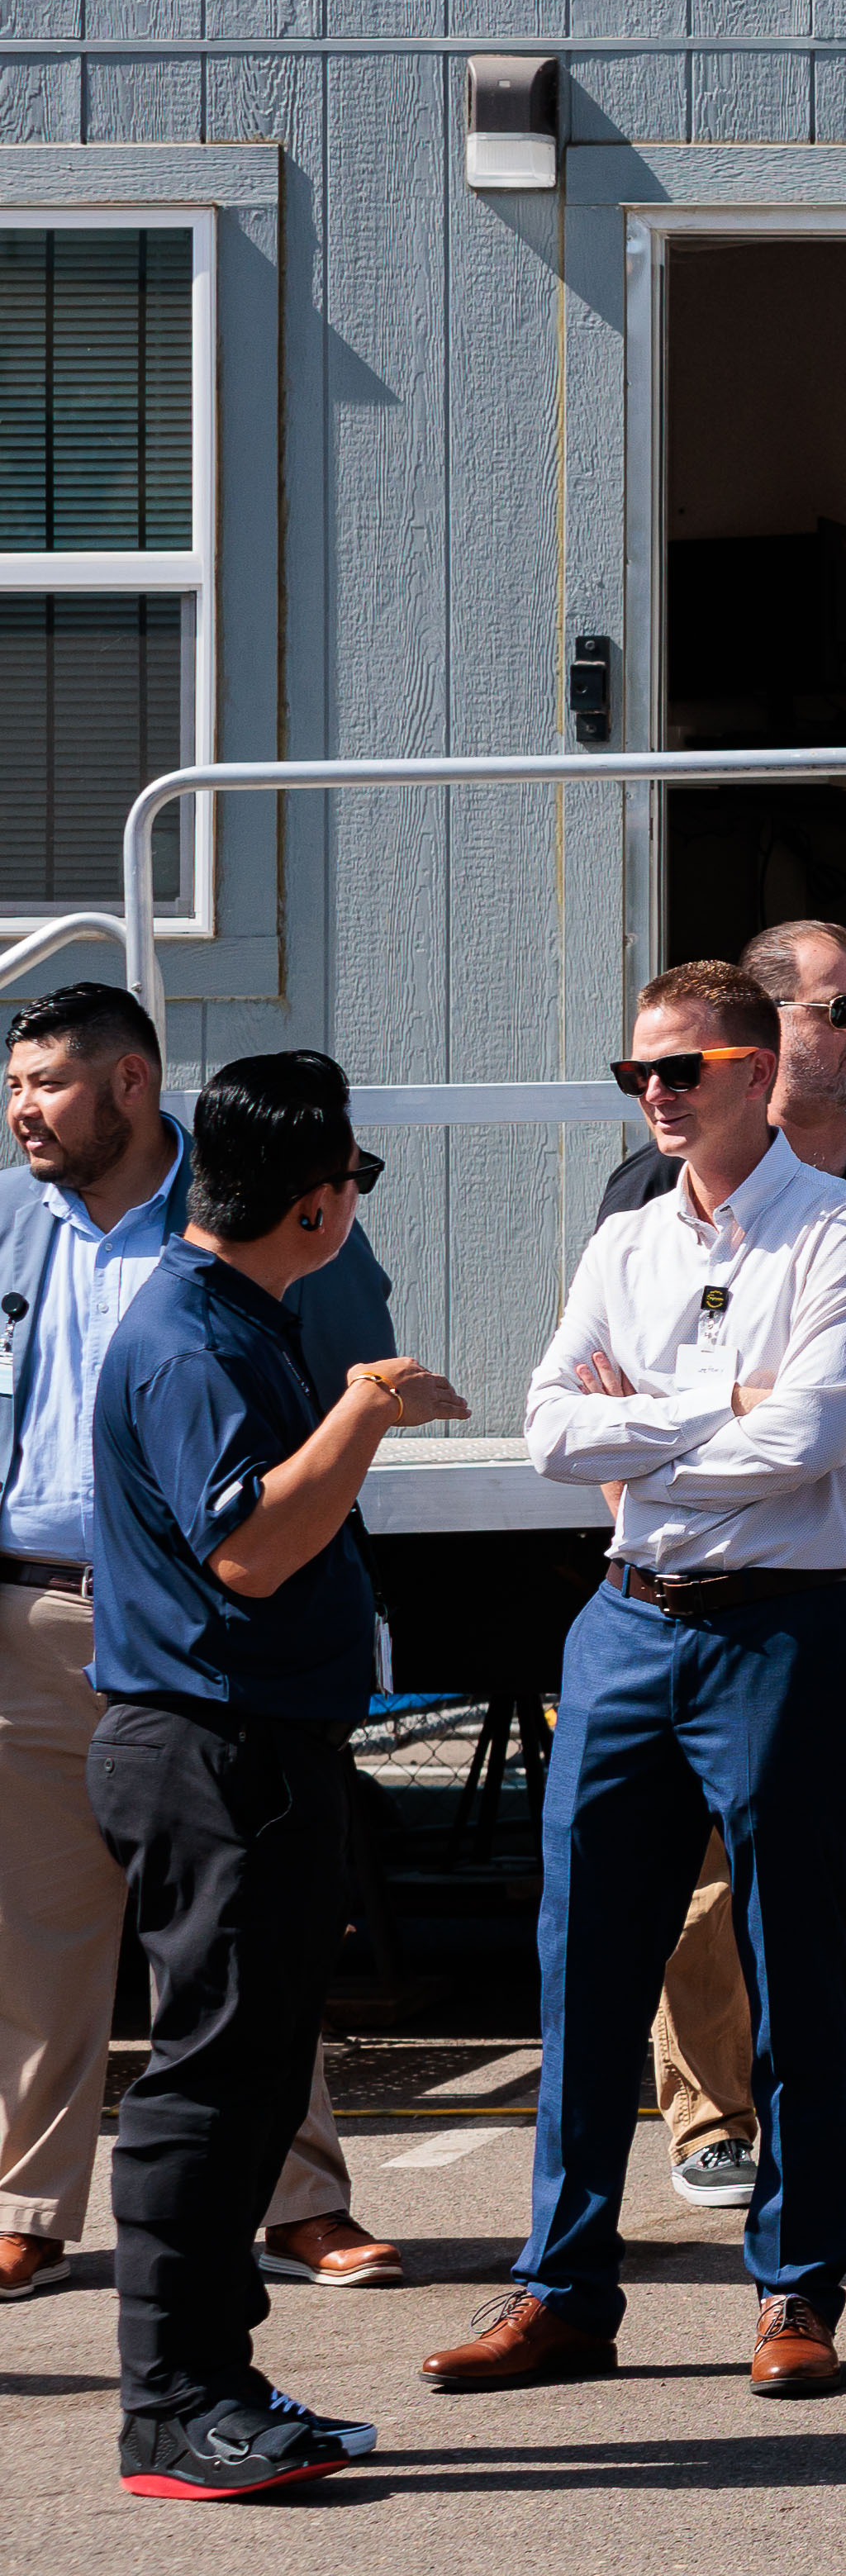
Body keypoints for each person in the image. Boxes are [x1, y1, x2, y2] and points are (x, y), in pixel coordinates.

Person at [423, 962, 846, 2407]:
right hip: (629, 1624)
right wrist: (714, 1409)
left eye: (682, 1068)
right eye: (639, 1072)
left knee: (791, 1958)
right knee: (585, 1967)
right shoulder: (628, 1238)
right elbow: (551, 1431)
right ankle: (564, 2289)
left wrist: (651, 1421)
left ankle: (797, 2289)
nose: (655, 1094)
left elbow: (815, 1435)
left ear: (758, 1073)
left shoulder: (841, 1229)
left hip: (780, 1627)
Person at [86, 1053, 469, 2499]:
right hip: (212, 1747)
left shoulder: (229, 1312)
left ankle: (216, 2382)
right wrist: (367, 1411)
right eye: (355, 1183)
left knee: (247, 2087)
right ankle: (172, 2407)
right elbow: (246, 1548)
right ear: (319, 1206)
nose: (355, 1208)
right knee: (208, 2086)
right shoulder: (194, 1335)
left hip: (240, 1746)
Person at [1, 988, 392, 2307]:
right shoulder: (7, 1223)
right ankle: (26, 2204)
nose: (21, 1110)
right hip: (34, 1612)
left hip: (205, 1631)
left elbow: (352, 1388)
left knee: (237, 1936)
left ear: (129, 1085)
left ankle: (300, 2199)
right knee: (37, 1934)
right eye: (15, 1084)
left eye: (47, 1082)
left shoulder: (251, 1212)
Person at [586, 920, 846, 2215]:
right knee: (701, 1871)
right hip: (690, 1570)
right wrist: (727, 1411)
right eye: (840, 1011)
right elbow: (577, 1418)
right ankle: (710, 2123)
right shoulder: (644, 1197)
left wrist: (710, 1414)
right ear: (768, 1038)